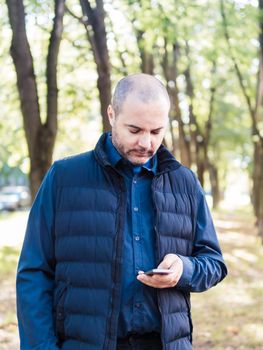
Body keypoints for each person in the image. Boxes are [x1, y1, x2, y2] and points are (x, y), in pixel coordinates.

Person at [17, 73, 227, 350]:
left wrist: (184, 269)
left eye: (156, 132)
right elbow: (34, 273)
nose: (146, 143)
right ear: (111, 114)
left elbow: (214, 262)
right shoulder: (63, 178)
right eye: (135, 130)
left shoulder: (185, 183)